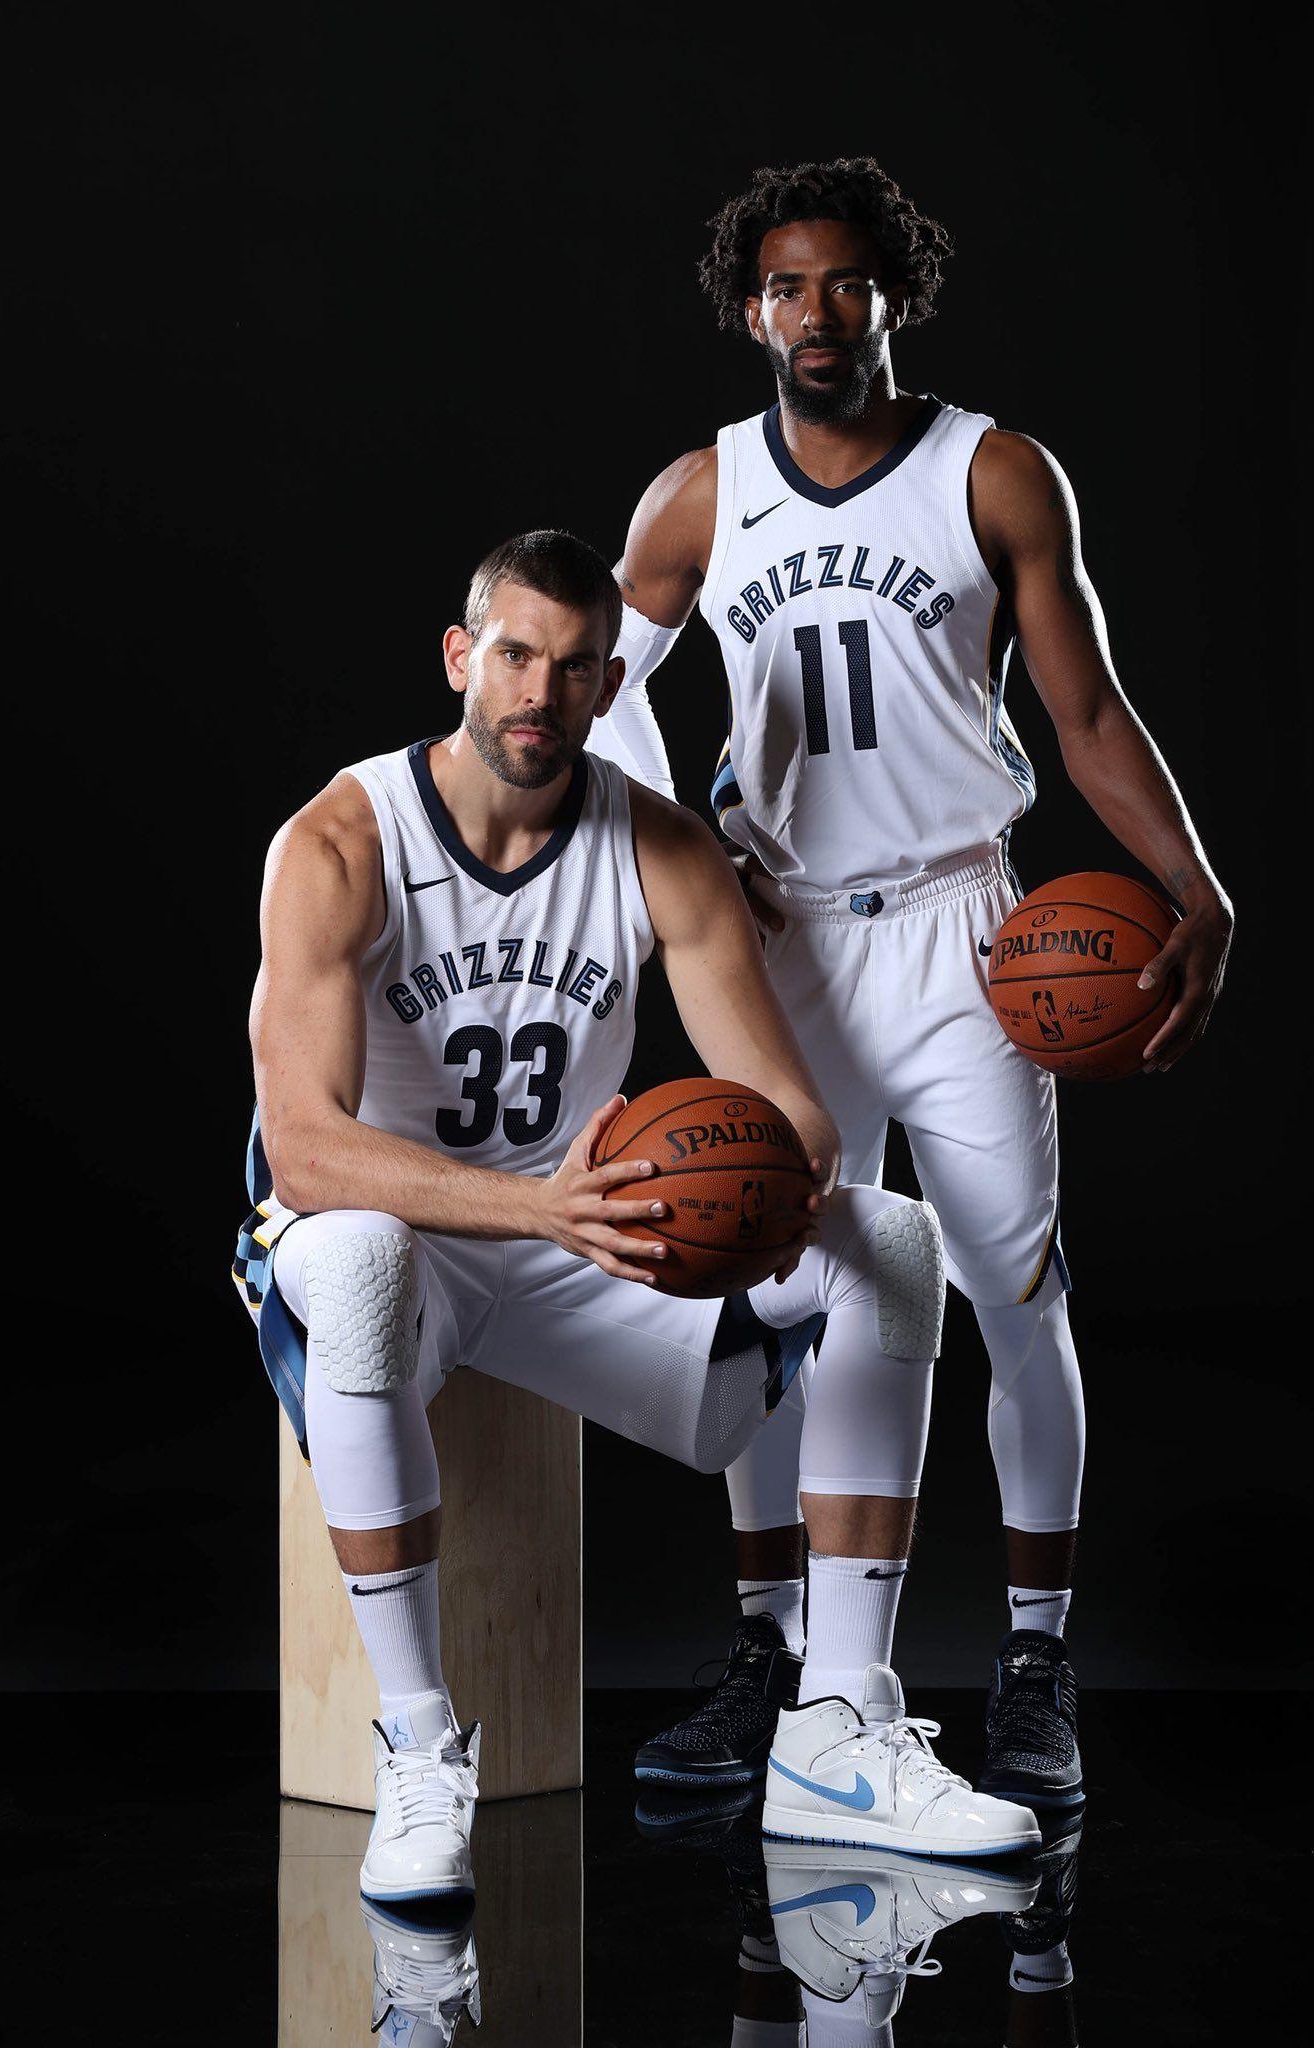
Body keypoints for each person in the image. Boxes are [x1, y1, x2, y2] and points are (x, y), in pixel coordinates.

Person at [233, 528, 1040, 1907]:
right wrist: (536, 1206)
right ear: (460, 659)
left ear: (611, 687)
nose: (538, 693)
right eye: (513, 657)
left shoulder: (657, 843)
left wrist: (724, 1180)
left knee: (887, 1242)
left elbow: (799, 1119)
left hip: (589, 1234)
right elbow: (303, 1153)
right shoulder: (342, 839)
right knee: (359, 1259)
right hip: (400, 1233)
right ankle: (424, 1753)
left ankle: (838, 1730)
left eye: (574, 667)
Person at [588, 155, 1233, 1805]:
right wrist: (675, 842)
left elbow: (1085, 714)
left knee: (1014, 1295)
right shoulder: (699, 495)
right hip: (782, 943)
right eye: (788, 286)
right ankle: (774, 1654)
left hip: (965, 934)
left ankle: (1032, 1657)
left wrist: (1194, 885)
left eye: (848, 282)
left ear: (897, 294)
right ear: (751, 309)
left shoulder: (995, 471)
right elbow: (596, 688)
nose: (818, 312)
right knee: (767, 1281)